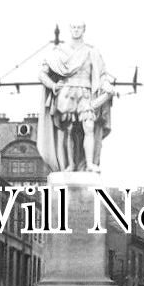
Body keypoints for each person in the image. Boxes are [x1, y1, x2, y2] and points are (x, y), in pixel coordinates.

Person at [38, 21, 117, 173]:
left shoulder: (92, 51)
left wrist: (106, 85)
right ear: (70, 29)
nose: (76, 30)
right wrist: (53, 86)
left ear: (84, 29)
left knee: (89, 127)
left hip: (85, 93)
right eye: (73, 27)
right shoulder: (59, 51)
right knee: (69, 131)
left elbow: (101, 75)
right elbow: (42, 74)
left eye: (79, 27)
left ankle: (89, 164)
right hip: (67, 94)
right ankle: (70, 165)